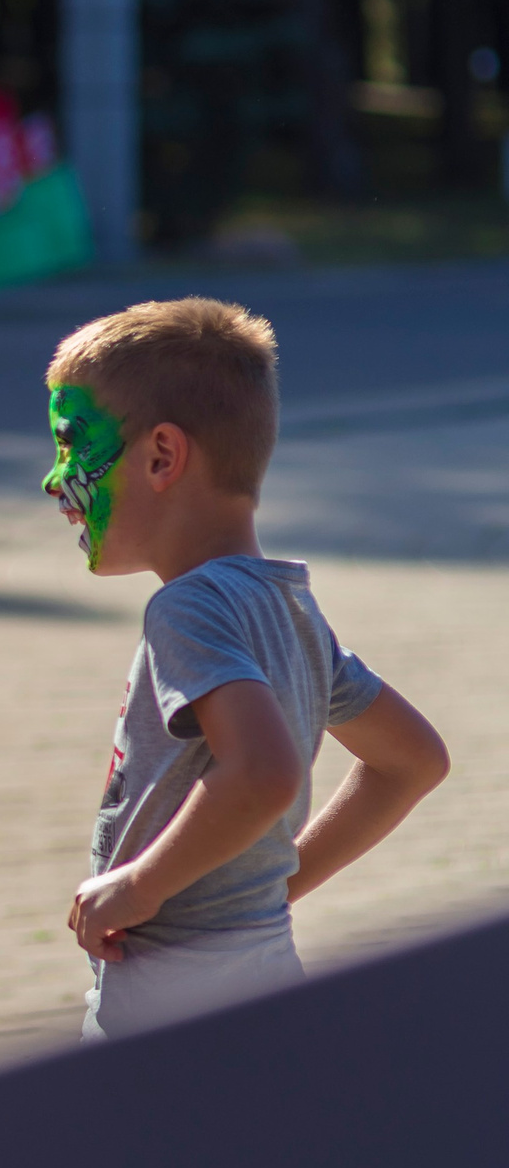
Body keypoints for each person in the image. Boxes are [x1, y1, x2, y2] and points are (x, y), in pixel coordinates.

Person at [49, 298, 450, 1038]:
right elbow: (414, 761)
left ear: (163, 456)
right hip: (260, 960)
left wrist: (141, 885)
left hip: (171, 984)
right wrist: (277, 884)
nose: (55, 481)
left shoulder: (187, 607)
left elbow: (264, 772)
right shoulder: (290, 607)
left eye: (71, 444)